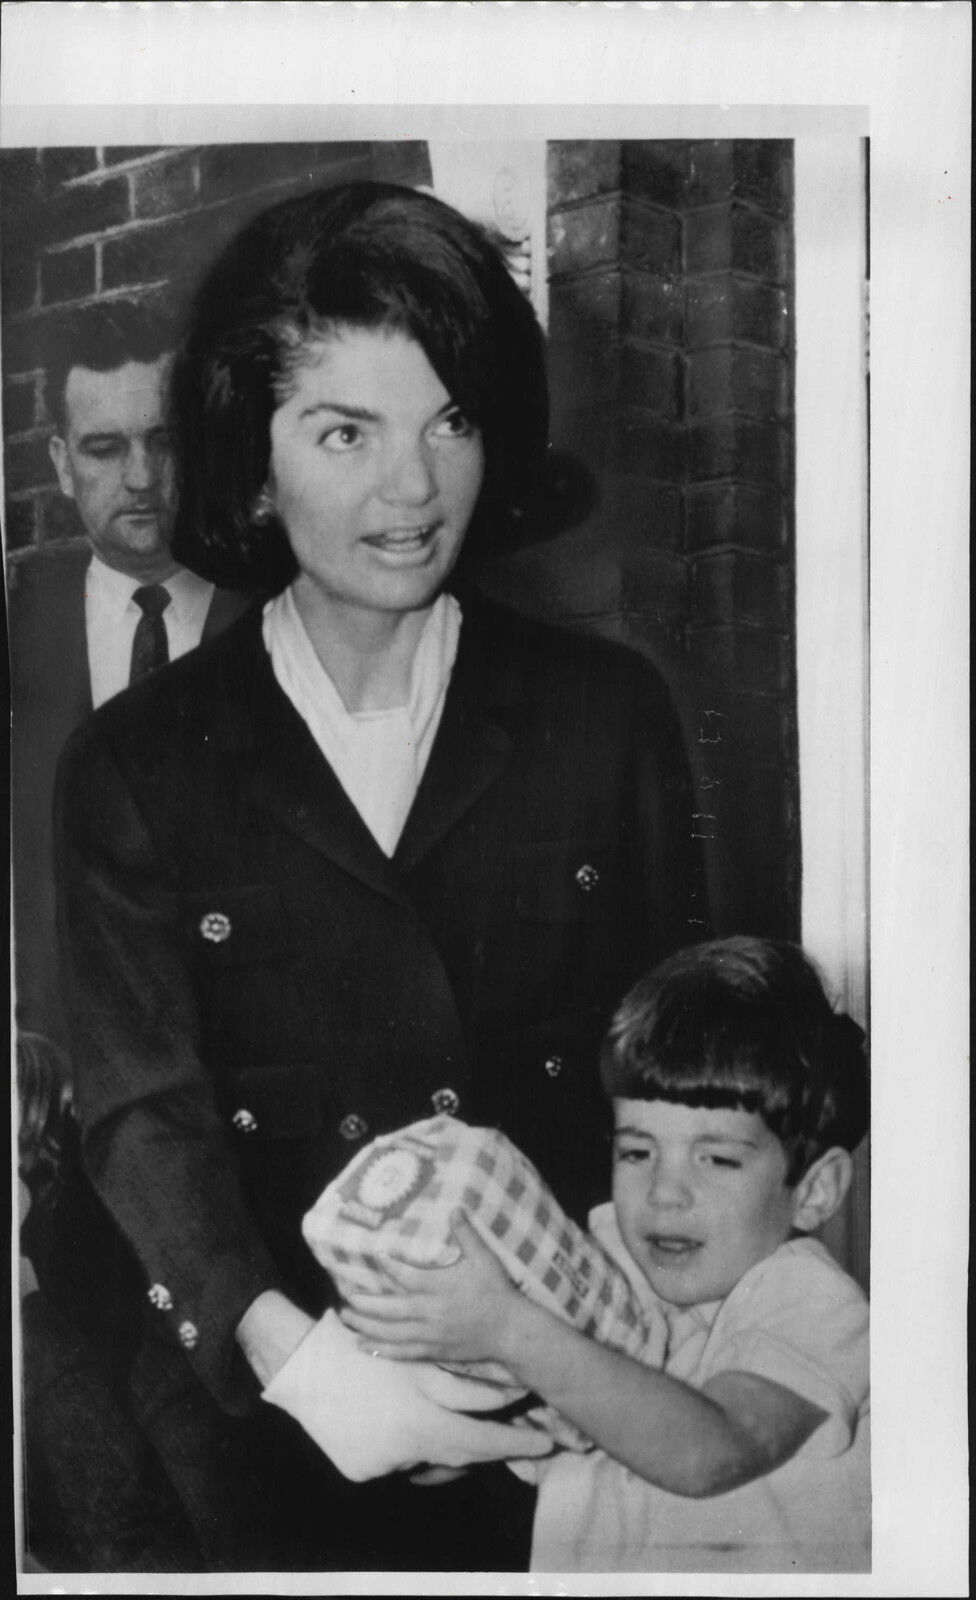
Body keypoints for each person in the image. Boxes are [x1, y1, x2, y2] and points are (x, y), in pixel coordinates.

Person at [54, 180, 703, 1571]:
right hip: (274, 1423)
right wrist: (316, 1378)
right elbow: (140, 1112)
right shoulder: (136, 764)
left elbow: (679, 1077)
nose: (412, 489)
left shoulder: (610, 716)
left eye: (451, 420)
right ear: (249, 457)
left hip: (577, 1408)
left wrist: (618, 1359)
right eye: (345, 430)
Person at [342, 937, 871, 1574]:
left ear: (815, 1191)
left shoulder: (809, 1301)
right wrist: (448, 1428)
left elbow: (709, 1453)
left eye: (717, 1159)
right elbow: (523, 1420)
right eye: (637, 1152)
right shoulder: (602, 1270)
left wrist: (510, 1327)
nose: (664, 1193)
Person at [8, 301, 252, 1048]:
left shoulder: (273, 620)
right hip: (61, 1089)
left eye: (164, 441)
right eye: (106, 448)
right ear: (60, 464)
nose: (141, 476)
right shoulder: (23, 626)